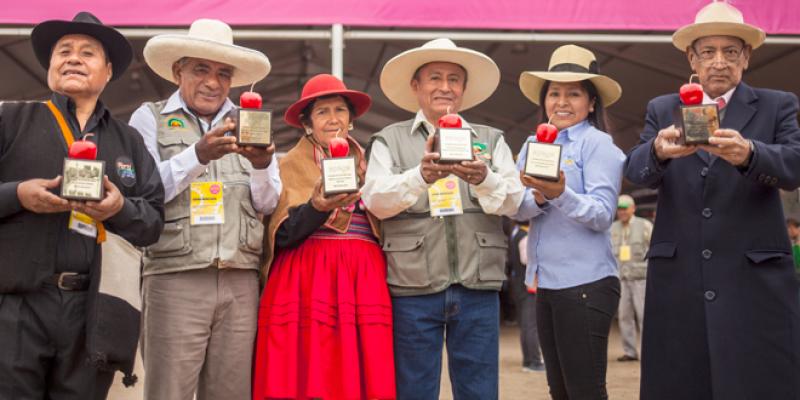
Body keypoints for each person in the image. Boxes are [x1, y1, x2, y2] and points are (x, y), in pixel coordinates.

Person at [624, 2, 800, 398]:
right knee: (682, 380)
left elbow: (794, 165)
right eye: (708, 52)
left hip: (753, 280)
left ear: (747, 57)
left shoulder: (777, 105)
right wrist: (658, 151)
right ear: (692, 57)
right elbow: (634, 170)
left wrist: (752, 154)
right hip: (680, 279)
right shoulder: (664, 108)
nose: (719, 62)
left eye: (730, 52)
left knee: (756, 380)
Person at [0, 12, 164, 399]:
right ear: (51, 66)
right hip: (15, 306)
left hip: (93, 311)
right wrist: (18, 194)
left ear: (108, 72)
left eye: (87, 53)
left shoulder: (128, 142)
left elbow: (154, 222)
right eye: (64, 51)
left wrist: (119, 208)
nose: (73, 58)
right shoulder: (11, 119)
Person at [363, 38, 523, 400]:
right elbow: (375, 199)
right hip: (413, 286)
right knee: (414, 389)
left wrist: (485, 178)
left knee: (480, 391)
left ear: (464, 89)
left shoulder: (490, 139)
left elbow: (514, 201)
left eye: (454, 79)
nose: (445, 87)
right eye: (434, 77)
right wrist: (419, 176)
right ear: (416, 87)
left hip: (478, 284)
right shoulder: (390, 139)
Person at [128, 19, 280, 400]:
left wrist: (262, 166)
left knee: (232, 392)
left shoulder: (251, 122)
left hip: (239, 279)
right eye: (201, 69)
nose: (213, 82)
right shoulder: (150, 117)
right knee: (169, 392)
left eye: (223, 73)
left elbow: (268, 202)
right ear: (178, 69)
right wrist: (196, 155)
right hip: (175, 277)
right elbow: (143, 194)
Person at [253, 74, 395, 400]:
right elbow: (282, 234)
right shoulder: (288, 165)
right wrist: (316, 207)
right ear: (307, 123)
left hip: (363, 275)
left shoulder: (372, 164)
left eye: (340, 110)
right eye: (322, 112)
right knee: (308, 371)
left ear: (351, 119)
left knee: (361, 368)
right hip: (307, 275)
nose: (333, 119)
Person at [514, 44, 625, 399]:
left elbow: (602, 214)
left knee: (585, 390)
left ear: (591, 103)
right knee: (559, 389)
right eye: (554, 93)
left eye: (574, 93)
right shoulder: (532, 143)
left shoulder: (599, 145)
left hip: (586, 285)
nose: (561, 101)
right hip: (545, 284)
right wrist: (541, 196)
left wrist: (560, 192)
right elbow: (518, 209)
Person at [610, 194, 652, 362]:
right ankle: (630, 351)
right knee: (624, 316)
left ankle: (649, 351)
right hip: (621, 278)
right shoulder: (612, 228)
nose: (622, 212)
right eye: (619, 209)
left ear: (633, 208)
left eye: (625, 208)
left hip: (641, 278)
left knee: (644, 315)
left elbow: (654, 248)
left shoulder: (645, 226)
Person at [508, 221, 544, 372]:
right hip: (528, 285)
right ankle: (534, 361)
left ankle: (528, 360)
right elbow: (526, 259)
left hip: (518, 284)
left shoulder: (515, 232)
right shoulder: (526, 235)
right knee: (531, 325)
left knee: (526, 324)